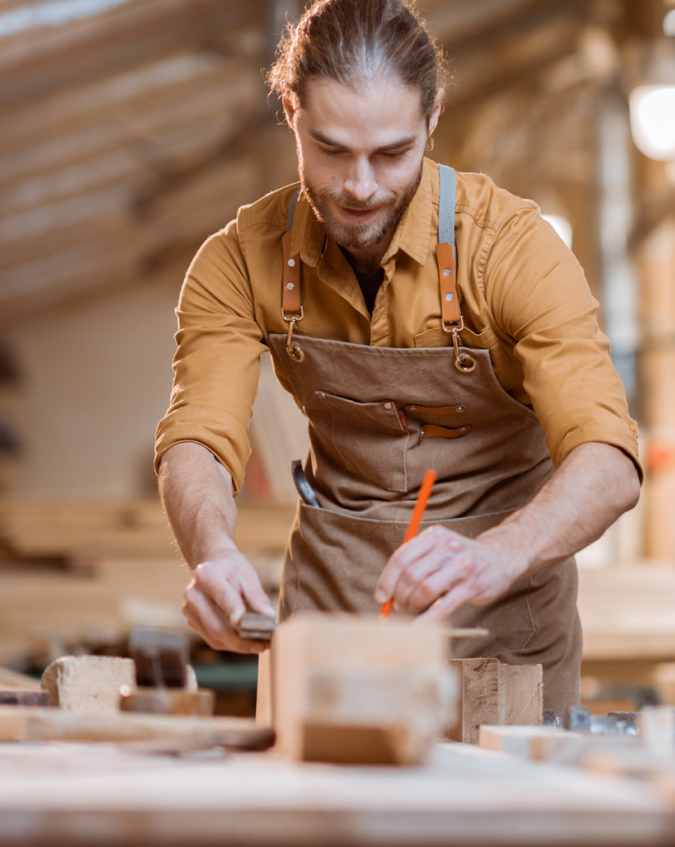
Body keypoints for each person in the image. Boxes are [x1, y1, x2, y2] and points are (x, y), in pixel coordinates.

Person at [153, 0, 641, 712]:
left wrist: (497, 555)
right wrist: (212, 552)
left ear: (432, 117)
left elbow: (609, 459)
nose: (359, 186)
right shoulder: (238, 261)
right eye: (331, 149)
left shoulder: (511, 248)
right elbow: (198, 434)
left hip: (498, 632)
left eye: (391, 153)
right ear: (290, 110)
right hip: (328, 630)